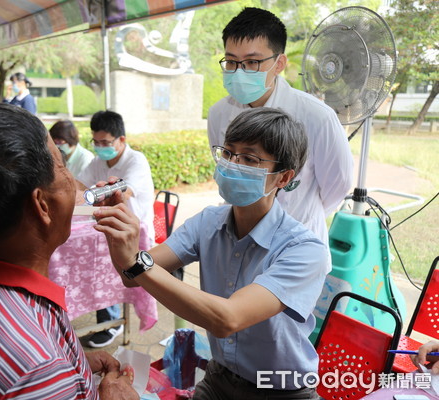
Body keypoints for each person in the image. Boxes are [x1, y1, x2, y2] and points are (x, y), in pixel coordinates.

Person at [95, 108, 327, 399]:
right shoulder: (208, 222)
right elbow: (133, 276)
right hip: (219, 378)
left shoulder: (304, 249)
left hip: (279, 388)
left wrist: (137, 263)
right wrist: (118, 232)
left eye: (249, 158)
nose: (232, 164)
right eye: (228, 153)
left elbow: (226, 319)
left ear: (283, 178)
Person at [0, 103, 137, 400]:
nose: (72, 183)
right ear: (42, 205)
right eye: (62, 168)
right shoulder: (38, 372)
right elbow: (30, 374)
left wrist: (75, 370)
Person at [208, 7, 353, 271]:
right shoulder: (219, 114)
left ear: (279, 64)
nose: (239, 71)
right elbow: (227, 172)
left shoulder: (316, 117)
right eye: (231, 62)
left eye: (252, 62)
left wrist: (299, 210)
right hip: (239, 244)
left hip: (295, 251)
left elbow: (338, 185)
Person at [76, 110, 155, 348]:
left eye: (106, 143)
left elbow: (125, 190)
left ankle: (113, 321)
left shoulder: (136, 161)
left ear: (122, 139)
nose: (100, 147)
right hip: (105, 225)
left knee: (114, 268)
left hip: (136, 231)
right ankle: (107, 316)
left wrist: (99, 193)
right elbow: (80, 185)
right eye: (96, 142)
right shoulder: (98, 161)